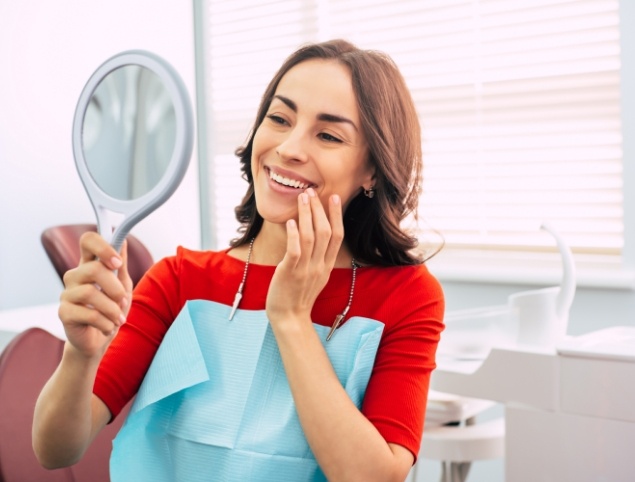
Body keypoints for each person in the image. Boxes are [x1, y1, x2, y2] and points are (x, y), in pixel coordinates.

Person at [33, 39, 444, 482]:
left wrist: (289, 317)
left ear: (372, 170)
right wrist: (79, 356)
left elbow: (372, 477)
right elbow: (55, 449)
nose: (289, 147)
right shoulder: (179, 280)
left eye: (327, 135)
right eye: (279, 118)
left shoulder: (407, 297)